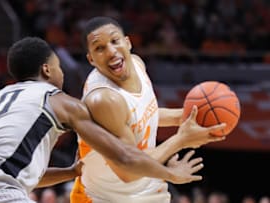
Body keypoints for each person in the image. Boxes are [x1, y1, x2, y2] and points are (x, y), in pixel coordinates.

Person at [0, 36, 208, 203]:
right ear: (46, 68)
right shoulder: (60, 101)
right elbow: (124, 155)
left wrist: (70, 172)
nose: (62, 72)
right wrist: (175, 162)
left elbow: (17, 172)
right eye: (58, 65)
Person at [70, 16, 226, 203]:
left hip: (143, 189)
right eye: (99, 48)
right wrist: (181, 140)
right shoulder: (104, 100)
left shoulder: (137, 64)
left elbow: (144, 114)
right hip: (104, 198)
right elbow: (127, 168)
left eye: (114, 41)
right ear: (91, 59)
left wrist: (189, 116)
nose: (111, 51)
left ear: (128, 43)